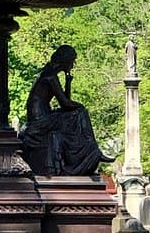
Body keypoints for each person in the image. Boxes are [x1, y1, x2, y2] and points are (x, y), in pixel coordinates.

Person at [19, 46, 111, 176]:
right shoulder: (50, 76)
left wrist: (68, 83)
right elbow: (66, 103)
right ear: (65, 60)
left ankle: (91, 153)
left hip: (44, 117)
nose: (73, 65)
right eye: (72, 61)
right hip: (40, 121)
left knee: (76, 114)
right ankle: (92, 152)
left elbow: (65, 103)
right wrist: (80, 106)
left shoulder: (49, 72)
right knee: (80, 113)